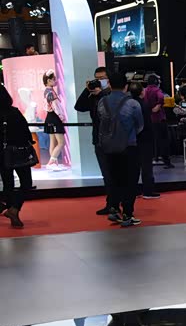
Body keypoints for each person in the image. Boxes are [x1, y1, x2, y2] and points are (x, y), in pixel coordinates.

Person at [97, 72, 144, 227]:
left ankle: (114, 208)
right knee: (130, 180)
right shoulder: (133, 104)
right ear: (126, 86)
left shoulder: (102, 102)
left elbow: (101, 121)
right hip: (129, 146)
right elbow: (140, 126)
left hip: (108, 147)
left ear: (109, 84)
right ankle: (127, 214)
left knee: (113, 178)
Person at [75, 66, 114, 215]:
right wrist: (88, 90)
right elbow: (79, 106)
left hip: (113, 139)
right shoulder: (93, 96)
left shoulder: (112, 94)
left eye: (102, 78)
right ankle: (111, 203)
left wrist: (102, 93)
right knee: (106, 174)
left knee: (114, 173)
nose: (99, 81)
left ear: (108, 79)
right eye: (96, 79)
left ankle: (118, 203)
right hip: (98, 139)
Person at [0, 84, 34, 228]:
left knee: (8, 184)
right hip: (19, 152)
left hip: (2, 154)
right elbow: (26, 132)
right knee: (26, 183)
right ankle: (14, 208)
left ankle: (10, 209)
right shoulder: (14, 112)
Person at [129, 82, 159, 199]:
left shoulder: (128, 104)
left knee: (133, 166)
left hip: (131, 139)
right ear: (142, 92)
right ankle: (148, 190)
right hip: (145, 138)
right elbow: (146, 123)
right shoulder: (144, 105)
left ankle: (134, 190)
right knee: (146, 165)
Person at [143, 74, 172, 168]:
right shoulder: (157, 90)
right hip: (159, 118)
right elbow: (161, 98)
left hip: (149, 118)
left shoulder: (145, 90)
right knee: (164, 140)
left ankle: (152, 158)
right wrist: (158, 105)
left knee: (152, 140)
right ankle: (166, 161)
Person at [42, 70, 67, 171]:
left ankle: (53, 163)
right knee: (61, 142)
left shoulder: (47, 91)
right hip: (54, 117)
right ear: (48, 80)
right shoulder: (50, 92)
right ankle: (51, 162)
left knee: (53, 141)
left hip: (50, 117)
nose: (55, 80)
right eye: (53, 79)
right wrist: (62, 117)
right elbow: (56, 107)